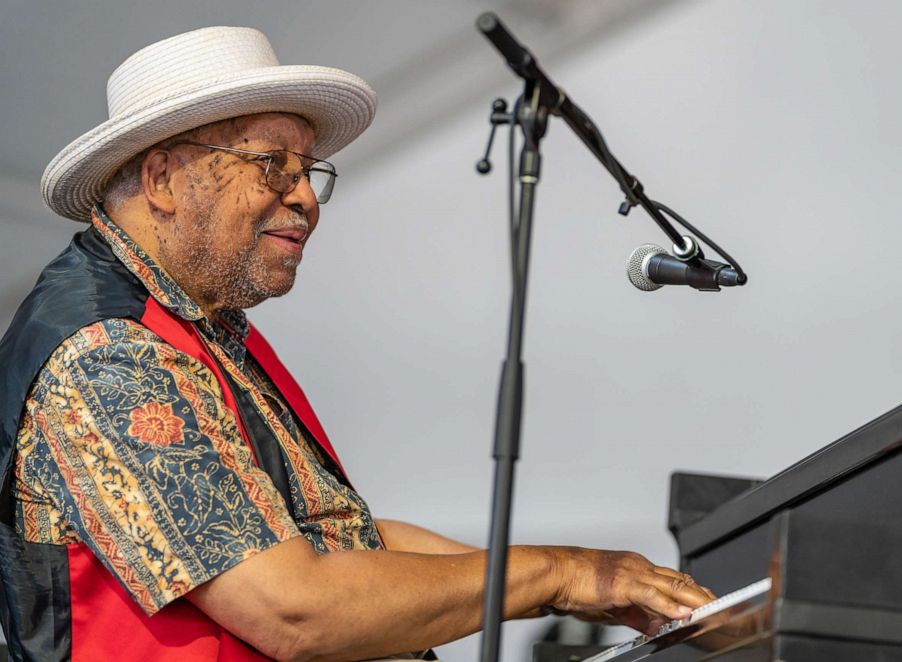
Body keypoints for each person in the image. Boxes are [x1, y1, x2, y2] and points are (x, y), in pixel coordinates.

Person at [0, 27, 714, 661]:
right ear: (162, 179)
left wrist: (576, 578)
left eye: (308, 171)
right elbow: (294, 609)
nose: (306, 197)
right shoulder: (111, 354)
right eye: (273, 165)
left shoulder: (192, 328)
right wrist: (554, 574)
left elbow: (346, 541)